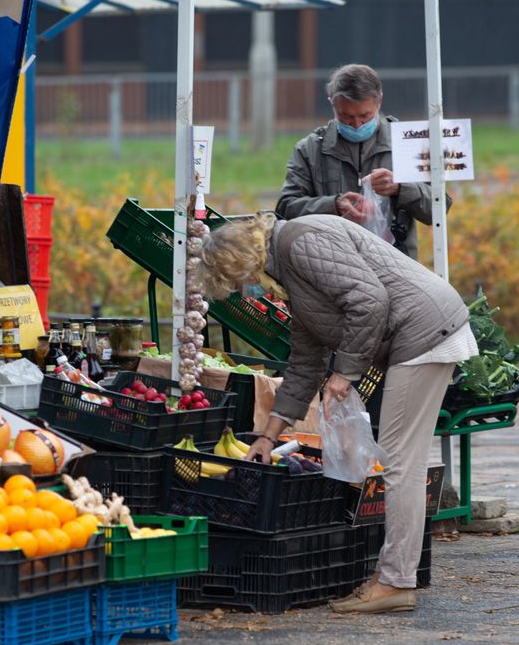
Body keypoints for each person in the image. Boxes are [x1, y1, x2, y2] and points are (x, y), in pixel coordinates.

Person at [196, 212, 478, 614]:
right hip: (423, 332)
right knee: (402, 461)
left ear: (244, 262)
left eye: (240, 282)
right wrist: (267, 436)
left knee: (399, 463)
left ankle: (395, 582)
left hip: (422, 332)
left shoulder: (298, 241)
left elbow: (369, 300)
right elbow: (304, 365)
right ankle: (395, 578)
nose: (246, 292)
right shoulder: (292, 274)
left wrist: (345, 373)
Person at [275, 63, 451, 260]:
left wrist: (401, 188)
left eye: (365, 116)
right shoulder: (310, 149)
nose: (357, 125)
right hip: (331, 264)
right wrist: (333, 205)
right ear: (332, 104)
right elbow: (285, 209)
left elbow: (439, 208)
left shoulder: (407, 142)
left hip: (397, 264)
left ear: (379, 102)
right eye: (346, 117)